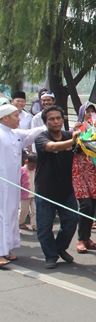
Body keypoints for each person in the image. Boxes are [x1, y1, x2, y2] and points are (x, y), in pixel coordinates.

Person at [34, 105, 81, 269]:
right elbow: (52, 147)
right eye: (51, 119)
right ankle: (50, 255)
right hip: (45, 191)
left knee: (71, 221)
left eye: (58, 118)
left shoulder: (69, 135)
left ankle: (60, 248)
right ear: (45, 122)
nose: (55, 122)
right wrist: (73, 140)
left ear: (63, 119)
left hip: (67, 190)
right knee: (44, 227)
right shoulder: (41, 138)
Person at [0, 104, 46, 266]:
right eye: (15, 116)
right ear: (4, 118)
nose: (19, 119)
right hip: (1, 184)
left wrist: (50, 124)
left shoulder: (15, 134)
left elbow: (31, 134)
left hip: (12, 184)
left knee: (11, 213)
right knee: (1, 216)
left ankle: (6, 249)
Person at [72, 104, 96, 254]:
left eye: (93, 111)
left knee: (93, 205)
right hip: (80, 171)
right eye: (88, 111)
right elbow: (73, 147)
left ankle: (87, 238)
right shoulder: (76, 129)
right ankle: (80, 239)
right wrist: (76, 133)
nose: (90, 114)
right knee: (85, 205)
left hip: (95, 171)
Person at [19, 153, 37, 231]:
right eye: (32, 166)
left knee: (35, 210)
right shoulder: (21, 170)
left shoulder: (35, 171)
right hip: (24, 195)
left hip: (33, 193)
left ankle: (34, 225)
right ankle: (20, 222)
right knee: (23, 210)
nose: (33, 168)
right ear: (26, 162)